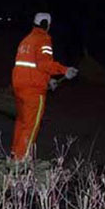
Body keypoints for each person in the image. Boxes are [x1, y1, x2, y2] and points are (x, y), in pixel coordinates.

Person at [11, 12, 79, 160]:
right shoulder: (43, 39)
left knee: (22, 123)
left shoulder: (26, 40)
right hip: (33, 91)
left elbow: (32, 66)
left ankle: (15, 155)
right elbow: (44, 63)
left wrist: (48, 80)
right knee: (31, 126)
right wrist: (64, 70)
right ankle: (21, 162)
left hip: (19, 88)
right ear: (45, 25)